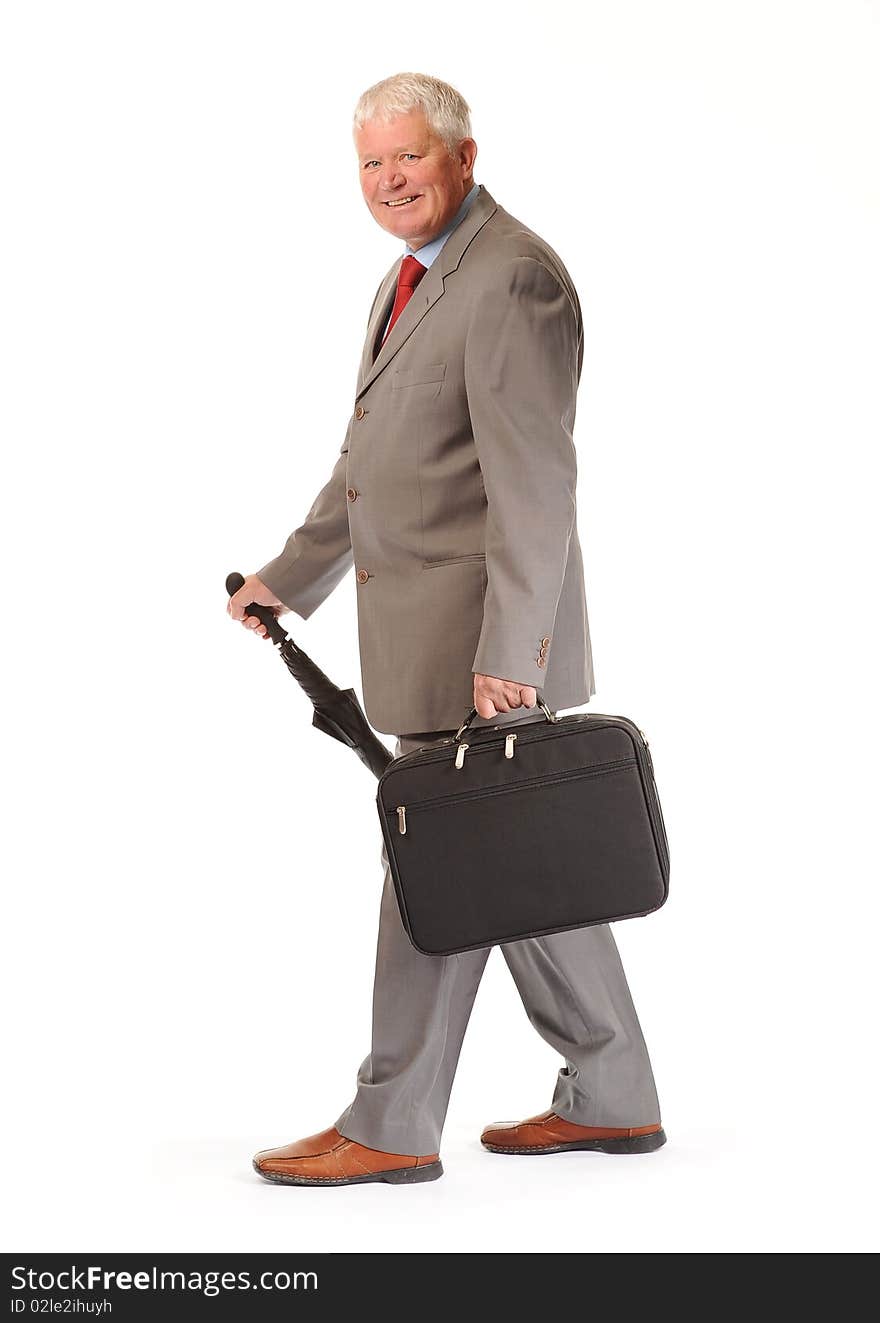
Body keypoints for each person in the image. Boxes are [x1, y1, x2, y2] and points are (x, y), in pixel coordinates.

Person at [228, 72, 665, 1187]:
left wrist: (511, 658)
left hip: (481, 654)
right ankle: (613, 1099)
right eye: (370, 164)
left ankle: (389, 1122)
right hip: (428, 637)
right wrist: (290, 576)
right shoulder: (408, 278)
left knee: (437, 864)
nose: (387, 182)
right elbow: (372, 465)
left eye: (407, 159)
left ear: (462, 157)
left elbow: (534, 485)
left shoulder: (510, 276)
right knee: (518, 867)